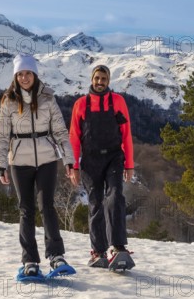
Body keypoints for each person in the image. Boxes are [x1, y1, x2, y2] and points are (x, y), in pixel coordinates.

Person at [0, 53, 78, 277]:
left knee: (47, 206)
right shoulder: (9, 101)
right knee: (26, 210)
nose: (24, 78)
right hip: (20, 162)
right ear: (15, 76)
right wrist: (1, 165)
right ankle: (30, 260)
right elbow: (2, 136)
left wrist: (69, 160)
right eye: (20, 74)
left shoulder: (48, 98)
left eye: (27, 73)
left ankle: (57, 257)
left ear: (35, 74)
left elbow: (60, 131)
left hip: (47, 160)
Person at [69, 64, 135, 269]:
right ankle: (98, 252)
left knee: (115, 196)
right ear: (92, 79)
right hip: (90, 161)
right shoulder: (80, 105)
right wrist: (74, 167)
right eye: (97, 78)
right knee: (96, 203)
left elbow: (126, 133)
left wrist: (129, 164)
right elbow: (74, 138)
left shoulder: (118, 102)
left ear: (109, 81)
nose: (100, 82)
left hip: (114, 158)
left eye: (103, 79)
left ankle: (118, 247)